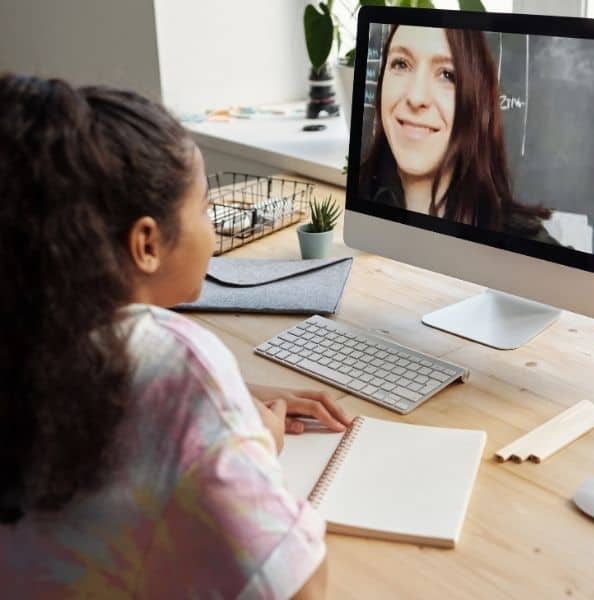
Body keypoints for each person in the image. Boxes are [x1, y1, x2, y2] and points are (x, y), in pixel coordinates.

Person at [0, 74, 348, 599]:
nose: (211, 226)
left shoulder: (25, 334)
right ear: (145, 243)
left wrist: (234, 401)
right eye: (205, 207)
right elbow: (298, 587)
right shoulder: (176, 363)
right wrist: (255, 445)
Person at [359, 25, 559, 245]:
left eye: (447, 75)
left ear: (477, 102)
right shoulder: (355, 200)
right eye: (401, 64)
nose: (416, 97)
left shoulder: (525, 246)